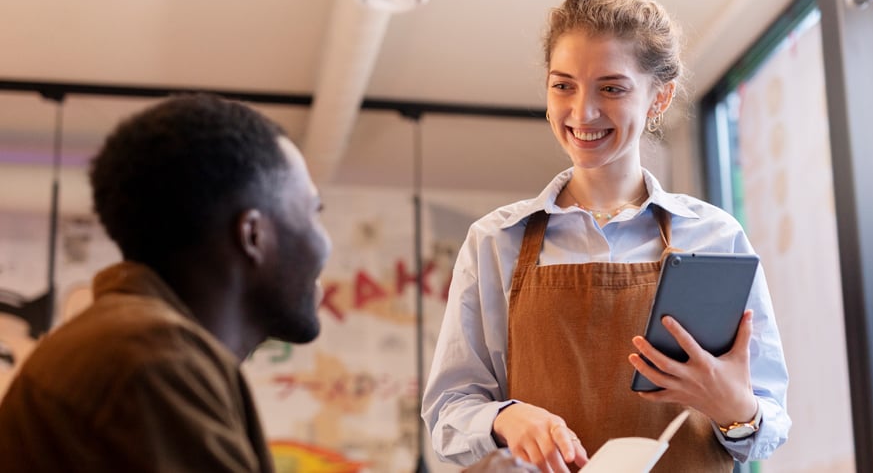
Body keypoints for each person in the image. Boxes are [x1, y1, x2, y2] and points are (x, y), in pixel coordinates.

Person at [0, 94, 533, 473]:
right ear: (254, 235)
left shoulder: (141, 343)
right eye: (312, 213)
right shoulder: (147, 359)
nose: (325, 244)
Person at [422, 0, 790, 473]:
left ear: (660, 98)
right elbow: (448, 412)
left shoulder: (714, 236)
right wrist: (507, 418)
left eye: (611, 88)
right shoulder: (495, 242)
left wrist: (733, 408)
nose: (582, 112)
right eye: (563, 85)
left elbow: (768, 424)